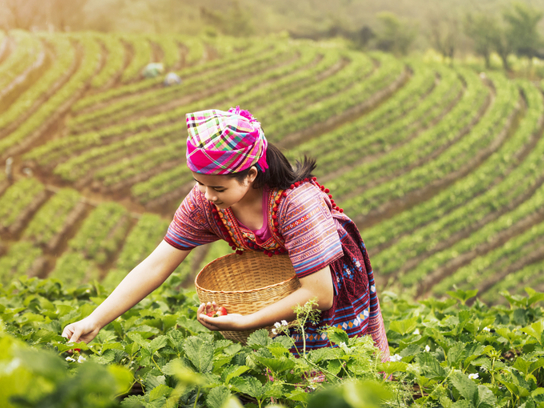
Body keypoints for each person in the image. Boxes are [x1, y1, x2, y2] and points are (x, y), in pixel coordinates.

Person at [62, 107, 389, 361]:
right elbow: (157, 264)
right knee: (283, 367)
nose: (205, 195)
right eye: (199, 183)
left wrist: (249, 321)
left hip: (328, 279)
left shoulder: (296, 204)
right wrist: (96, 319)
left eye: (217, 187)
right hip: (276, 285)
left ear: (249, 175)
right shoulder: (206, 202)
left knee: (339, 363)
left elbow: (319, 294)